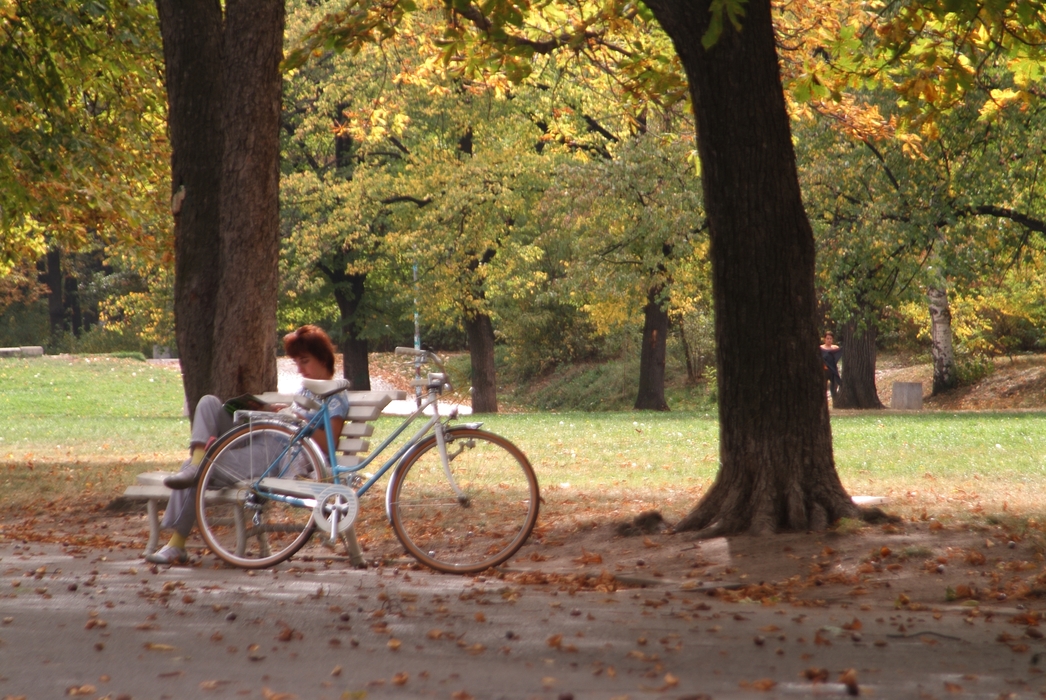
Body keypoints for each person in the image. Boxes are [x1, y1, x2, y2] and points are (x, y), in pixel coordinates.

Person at [145, 325, 349, 565]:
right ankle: (197, 463)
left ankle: (176, 544)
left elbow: (330, 445)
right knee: (209, 403)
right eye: (296, 362)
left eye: (305, 361)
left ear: (323, 358)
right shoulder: (306, 388)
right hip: (260, 434)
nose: (300, 368)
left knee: (193, 469)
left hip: (273, 452)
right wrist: (268, 411)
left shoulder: (335, 396)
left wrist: (300, 423)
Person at [820, 331, 842, 403]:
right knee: (823, 388)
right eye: (827, 338)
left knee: (834, 387)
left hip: (833, 371)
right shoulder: (821, 348)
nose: (829, 340)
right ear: (824, 339)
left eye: (830, 339)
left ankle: (835, 403)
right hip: (824, 370)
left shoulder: (835, 348)